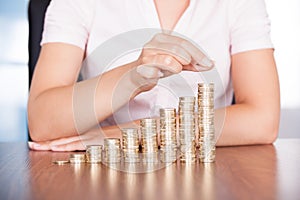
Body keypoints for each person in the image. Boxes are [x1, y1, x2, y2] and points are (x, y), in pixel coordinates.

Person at [27, 0, 280, 151]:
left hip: (207, 166)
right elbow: (42, 121)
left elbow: (262, 121)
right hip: (103, 173)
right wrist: (132, 78)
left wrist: (133, 133)